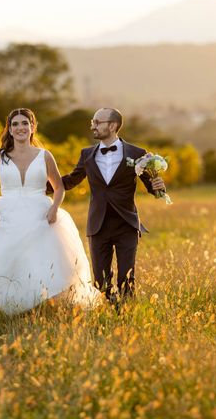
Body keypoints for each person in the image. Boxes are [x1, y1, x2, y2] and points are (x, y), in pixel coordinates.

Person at [0, 108, 99, 315]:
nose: (20, 128)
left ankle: (42, 306)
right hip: (7, 214)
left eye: (24, 123)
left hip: (40, 213)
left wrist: (54, 209)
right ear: (9, 130)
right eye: (15, 124)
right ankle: (14, 307)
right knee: (9, 261)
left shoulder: (44, 156)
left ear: (32, 128)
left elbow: (59, 187)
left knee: (42, 259)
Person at [57, 108, 166, 305]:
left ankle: (125, 318)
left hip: (126, 224)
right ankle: (107, 314)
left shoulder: (137, 153)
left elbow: (153, 187)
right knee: (100, 281)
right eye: (93, 121)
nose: (93, 125)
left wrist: (159, 188)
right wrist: (40, 185)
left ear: (112, 125)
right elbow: (71, 181)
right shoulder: (87, 154)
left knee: (127, 279)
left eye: (97, 122)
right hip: (98, 225)